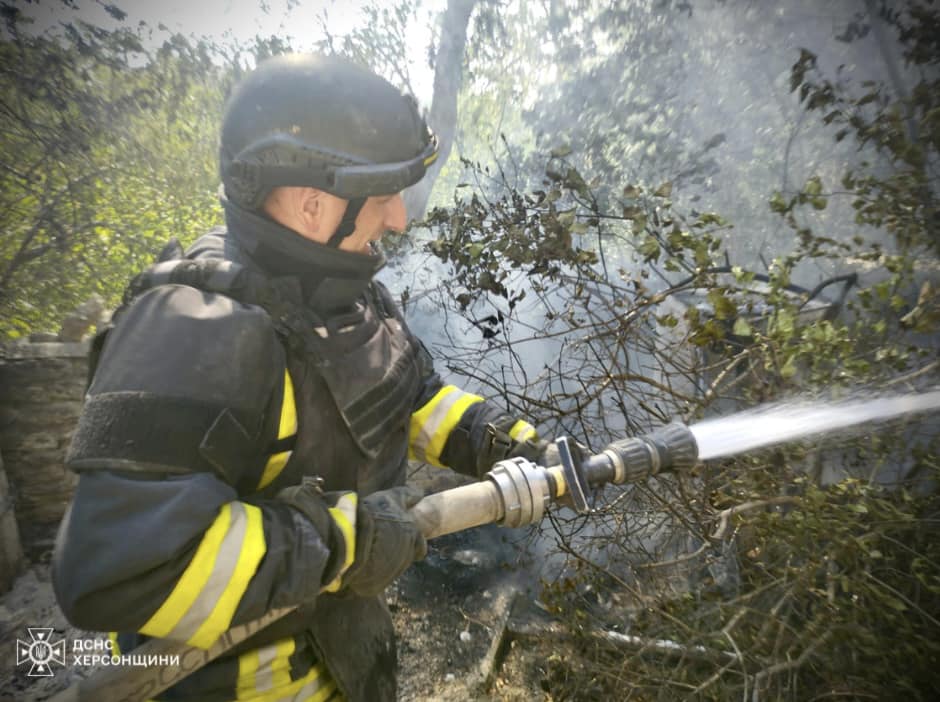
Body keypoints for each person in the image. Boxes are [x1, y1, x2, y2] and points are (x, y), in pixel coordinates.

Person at [52, 53, 542, 702]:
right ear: (313, 204)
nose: (397, 218)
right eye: (385, 192)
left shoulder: (344, 293)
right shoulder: (193, 331)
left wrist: (493, 436)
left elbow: (406, 395)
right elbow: (119, 570)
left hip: (345, 660)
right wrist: (348, 541)